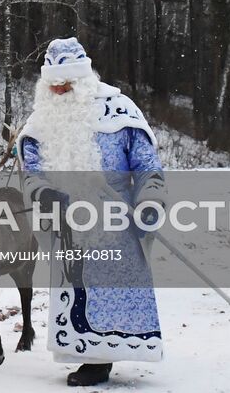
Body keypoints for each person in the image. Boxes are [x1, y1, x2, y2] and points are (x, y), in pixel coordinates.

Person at [18, 37, 166, 387]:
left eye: (66, 83)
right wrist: (44, 194)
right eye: (53, 85)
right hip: (67, 225)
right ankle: (90, 355)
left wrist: (148, 201)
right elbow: (31, 172)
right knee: (78, 293)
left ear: (83, 80)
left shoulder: (120, 111)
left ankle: (103, 356)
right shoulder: (41, 123)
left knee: (113, 289)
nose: (59, 90)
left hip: (116, 221)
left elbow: (147, 166)